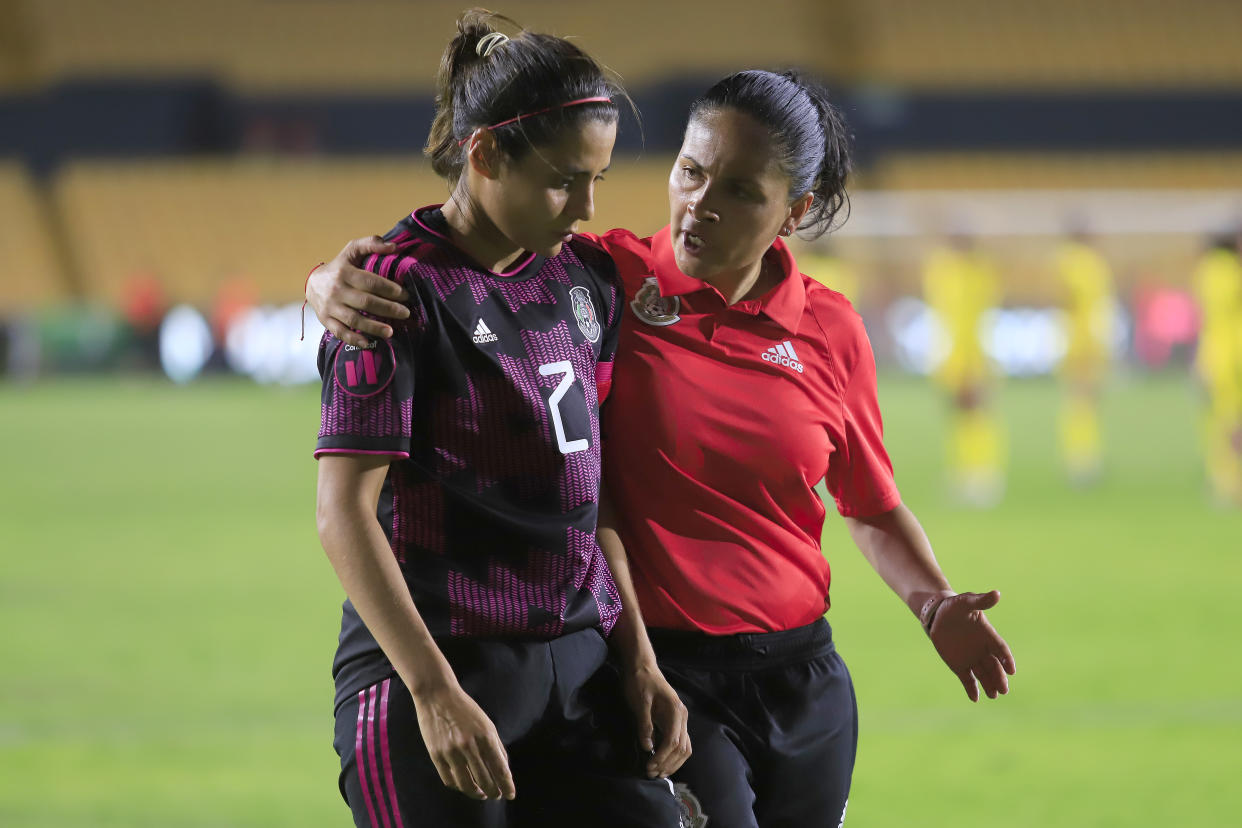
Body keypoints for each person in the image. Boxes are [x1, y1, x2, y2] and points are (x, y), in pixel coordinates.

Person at [311, 68, 1016, 828]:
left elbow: (871, 505)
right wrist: (325, 281)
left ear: (795, 209)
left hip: (804, 674)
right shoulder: (605, 277)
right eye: (691, 171)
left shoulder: (832, 329)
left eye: (741, 191)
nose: (701, 205)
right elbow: (457, 252)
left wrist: (934, 601)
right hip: (662, 670)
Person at [311, 11, 688, 828]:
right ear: (484, 154)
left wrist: (639, 659)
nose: (587, 206)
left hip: (579, 671)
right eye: (563, 179)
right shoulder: (391, 294)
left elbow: (593, 495)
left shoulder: (587, 280)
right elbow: (342, 512)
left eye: (598, 178)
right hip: (437, 664)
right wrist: (432, 691)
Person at [922, 229, 1007, 506]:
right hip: (952, 355)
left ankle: (983, 474)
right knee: (959, 415)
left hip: (971, 353)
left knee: (976, 413)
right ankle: (967, 472)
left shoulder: (975, 273)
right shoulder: (947, 269)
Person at [1053, 224, 1115, 484]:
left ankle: (1080, 459)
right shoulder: (1097, 263)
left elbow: (1065, 299)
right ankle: (1085, 458)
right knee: (1086, 403)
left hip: (1079, 342)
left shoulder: (1069, 262)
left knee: (1078, 403)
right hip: (1092, 342)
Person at [1191, 228, 1242, 505]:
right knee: (1232, 422)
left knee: (1218, 421)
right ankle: (1231, 484)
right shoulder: (1231, 272)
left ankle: (1221, 479)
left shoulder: (1206, 271)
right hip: (1232, 355)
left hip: (1210, 354)